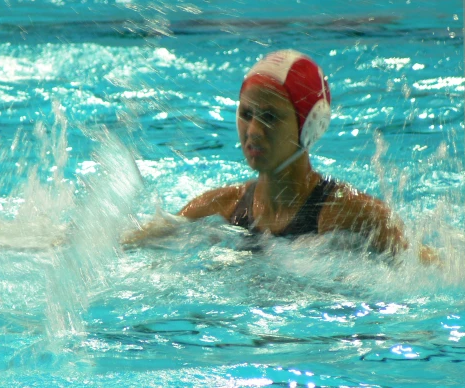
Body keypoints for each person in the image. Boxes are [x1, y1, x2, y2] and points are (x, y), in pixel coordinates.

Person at [131, 49, 434, 261]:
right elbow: (134, 245)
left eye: (270, 117)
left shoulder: (353, 216)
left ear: (309, 125)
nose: (252, 131)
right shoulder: (220, 208)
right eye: (246, 114)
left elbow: (429, 273)